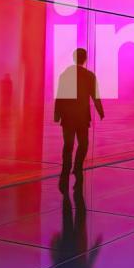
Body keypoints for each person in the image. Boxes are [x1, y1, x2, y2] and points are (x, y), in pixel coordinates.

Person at [54, 48, 104, 190]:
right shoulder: (89, 76)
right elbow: (95, 96)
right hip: (82, 117)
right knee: (83, 144)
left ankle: (66, 168)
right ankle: (77, 166)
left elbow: (60, 96)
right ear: (85, 59)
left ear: (74, 58)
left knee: (68, 145)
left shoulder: (65, 75)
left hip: (68, 116)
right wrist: (100, 111)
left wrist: (57, 115)